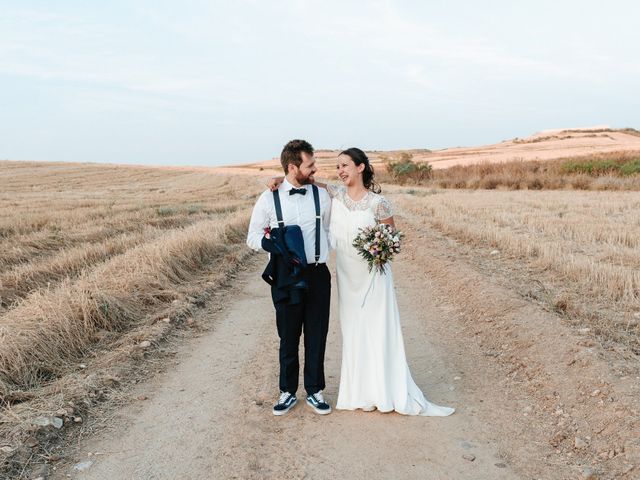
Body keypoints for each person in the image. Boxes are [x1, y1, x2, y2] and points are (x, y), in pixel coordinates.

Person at [269, 147, 455, 416]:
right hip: (347, 279)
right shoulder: (335, 196)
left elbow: (393, 242)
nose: (340, 171)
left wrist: (379, 248)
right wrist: (276, 178)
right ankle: (360, 392)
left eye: (345, 165)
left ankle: (384, 390)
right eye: (337, 167)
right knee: (354, 332)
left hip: (372, 277)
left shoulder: (379, 203)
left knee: (378, 329)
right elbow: (300, 178)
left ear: (361, 167)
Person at [246, 139, 333, 416]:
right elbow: (252, 237)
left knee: (317, 334)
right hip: (286, 275)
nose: (315, 169)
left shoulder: (322, 195)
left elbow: (333, 231)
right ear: (293, 166)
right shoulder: (268, 197)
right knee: (288, 334)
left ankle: (315, 390)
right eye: (310, 165)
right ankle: (287, 391)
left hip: (318, 274)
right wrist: (277, 247)